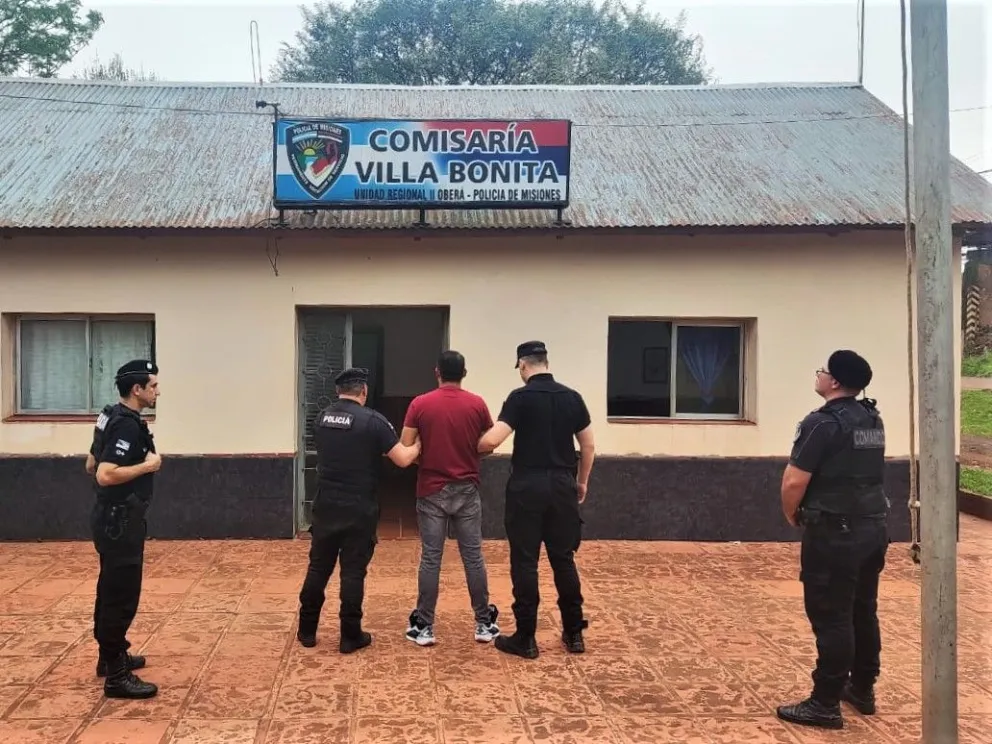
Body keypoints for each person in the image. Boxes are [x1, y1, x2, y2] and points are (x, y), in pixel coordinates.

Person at [776, 350, 890, 730]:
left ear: (835, 381)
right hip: (872, 528)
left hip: (835, 532)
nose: (819, 375)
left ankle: (824, 702)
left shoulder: (821, 423)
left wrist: (792, 514)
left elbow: (794, 481)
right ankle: (862, 688)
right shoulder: (872, 419)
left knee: (831, 615)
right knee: (862, 609)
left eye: (823, 371)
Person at [478, 341, 595, 659]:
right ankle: (574, 633)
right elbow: (587, 446)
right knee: (564, 559)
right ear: (546, 362)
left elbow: (492, 440)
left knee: (525, 561)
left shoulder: (520, 398)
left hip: (526, 487)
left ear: (523, 365)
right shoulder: (572, 397)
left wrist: (466, 446)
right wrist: (581, 482)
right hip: (562, 486)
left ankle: (526, 638)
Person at [297, 367, 421, 653]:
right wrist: (418, 446)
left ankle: (307, 630)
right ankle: (350, 635)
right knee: (353, 572)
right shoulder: (373, 422)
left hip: (326, 505)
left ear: (338, 391)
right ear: (363, 391)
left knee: (318, 567)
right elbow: (402, 459)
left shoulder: (322, 418)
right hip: (358, 507)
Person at [400, 350, 500, 647]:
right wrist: (468, 453)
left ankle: (424, 626)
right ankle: (484, 623)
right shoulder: (477, 404)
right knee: (473, 556)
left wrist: (427, 455)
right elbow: (489, 444)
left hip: (431, 488)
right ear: (464, 373)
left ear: (437, 372)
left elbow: (406, 446)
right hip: (467, 488)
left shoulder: (420, 404)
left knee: (431, 557)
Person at [85, 359, 161, 700]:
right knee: (121, 596)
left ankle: (109, 657)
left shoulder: (109, 416)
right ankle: (116, 676)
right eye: (153, 386)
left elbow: (90, 463)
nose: (158, 391)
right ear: (137, 389)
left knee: (109, 590)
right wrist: (147, 466)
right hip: (121, 523)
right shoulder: (127, 426)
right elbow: (104, 474)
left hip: (108, 518)